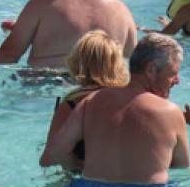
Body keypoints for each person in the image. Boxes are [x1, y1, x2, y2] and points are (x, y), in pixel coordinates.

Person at [46, 33, 190, 186]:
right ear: (151, 69)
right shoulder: (170, 111)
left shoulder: (90, 102)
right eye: (173, 74)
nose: (177, 80)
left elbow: (57, 153)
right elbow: (182, 165)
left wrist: (84, 168)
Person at [0, 0, 136, 69]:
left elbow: (10, 53)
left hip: (44, 84)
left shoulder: (44, 2)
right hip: (100, 91)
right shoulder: (122, 10)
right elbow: (132, 61)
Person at [40, 30, 129, 170]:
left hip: (82, 180)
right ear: (118, 66)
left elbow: (48, 159)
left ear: (76, 63)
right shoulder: (132, 101)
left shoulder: (71, 105)